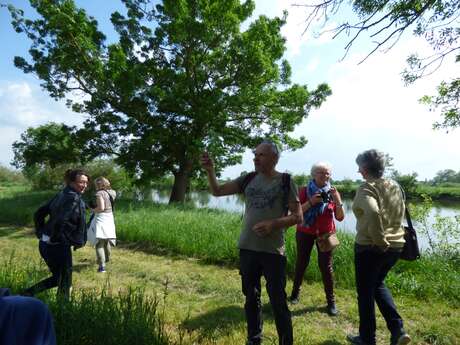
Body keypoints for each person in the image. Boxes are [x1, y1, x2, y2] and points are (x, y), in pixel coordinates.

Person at [201, 140, 302, 345]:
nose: (256, 158)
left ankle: (286, 341)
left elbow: (298, 216)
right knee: (251, 298)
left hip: (273, 251)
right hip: (247, 248)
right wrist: (211, 171)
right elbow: (217, 191)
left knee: (278, 301)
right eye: (255, 155)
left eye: (261, 155)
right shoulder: (248, 178)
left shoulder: (285, 181)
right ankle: (254, 339)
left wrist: (274, 224)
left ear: (274, 158)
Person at [347, 149, 411, 345]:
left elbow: (373, 212)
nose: (358, 171)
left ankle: (367, 338)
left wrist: (380, 240)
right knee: (377, 284)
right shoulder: (394, 186)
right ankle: (397, 330)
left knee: (365, 293)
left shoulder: (366, 188)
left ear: (365, 169)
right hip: (397, 246)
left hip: (371, 247)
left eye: (359, 167)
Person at [22, 169, 89, 300]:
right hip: (57, 245)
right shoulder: (73, 197)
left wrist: (41, 232)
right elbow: (61, 220)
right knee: (65, 280)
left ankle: (28, 293)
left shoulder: (62, 194)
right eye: (81, 182)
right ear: (71, 182)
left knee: (59, 278)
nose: (84, 185)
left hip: (46, 243)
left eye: (86, 182)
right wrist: (54, 238)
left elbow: (40, 213)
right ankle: (63, 310)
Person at [289, 162, 344, 316]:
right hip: (305, 231)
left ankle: (331, 302)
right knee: (301, 262)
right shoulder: (303, 191)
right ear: (313, 174)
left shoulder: (332, 193)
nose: (324, 176)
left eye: (327, 173)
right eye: (321, 172)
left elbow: (339, 218)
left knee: (326, 267)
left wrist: (338, 200)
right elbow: (294, 214)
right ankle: (294, 294)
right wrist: (311, 202)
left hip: (326, 234)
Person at [87, 177, 117, 273]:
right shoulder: (113, 192)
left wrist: (92, 210)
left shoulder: (99, 193)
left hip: (101, 218)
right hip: (110, 217)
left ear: (99, 184)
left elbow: (101, 208)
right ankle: (107, 259)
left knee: (99, 243)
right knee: (107, 240)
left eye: (96, 184)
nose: (95, 186)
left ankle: (102, 267)